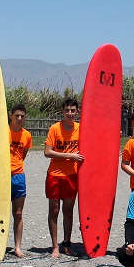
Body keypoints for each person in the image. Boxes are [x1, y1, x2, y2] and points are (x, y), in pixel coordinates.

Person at [44, 98, 83, 258]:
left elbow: (96, 139)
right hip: (54, 175)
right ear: (62, 111)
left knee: (68, 211)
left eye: (73, 110)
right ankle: (55, 246)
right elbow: (47, 152)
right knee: (54, 210)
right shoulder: (55, 129)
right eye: (67, 110)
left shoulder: (81, 128)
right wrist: (69, 156)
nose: (70, 113)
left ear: (77, 112)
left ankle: (66, 244)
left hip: (71, 176)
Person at [8, 104, 32, 258]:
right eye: (17, 115)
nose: (19, 118)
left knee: (18, 213)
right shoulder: (3, 131)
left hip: (18, 176)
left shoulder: (27, 135)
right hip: (2, 176)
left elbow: (22, 155)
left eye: (22, 116)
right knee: (0, 212)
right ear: (11, 116)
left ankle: (17, 247)